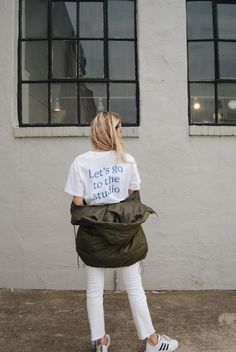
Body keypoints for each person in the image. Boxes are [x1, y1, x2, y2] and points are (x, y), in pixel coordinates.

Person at [64, 111, 179, 352]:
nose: (122, 131)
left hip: (94, 233)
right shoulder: (127, 160)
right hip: (124, 234)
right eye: (119, 127)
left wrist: (97, 203)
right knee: (134, 287)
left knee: (94, 290)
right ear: (109, 131)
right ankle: (152, 342)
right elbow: (131, 195)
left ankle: (100, 343)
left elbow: (77, 201)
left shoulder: (80, 162)